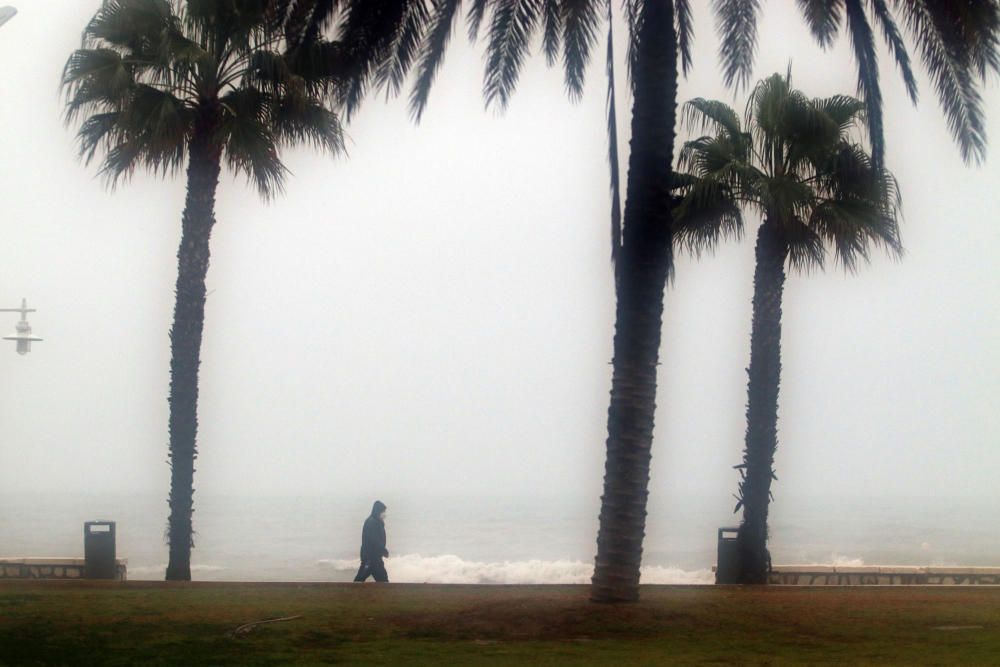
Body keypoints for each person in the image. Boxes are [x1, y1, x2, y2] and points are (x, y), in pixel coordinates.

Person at [353, 500, 389, 582]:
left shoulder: (378, 522)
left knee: (384, 581)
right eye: (383, 511)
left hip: (376, 559)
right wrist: (383, 550)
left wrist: (382, 551)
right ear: (378, 511)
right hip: (369, 559)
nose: (384, 513)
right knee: (359, 580)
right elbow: (374, 540)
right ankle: (349, 593)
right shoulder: (371, 522)